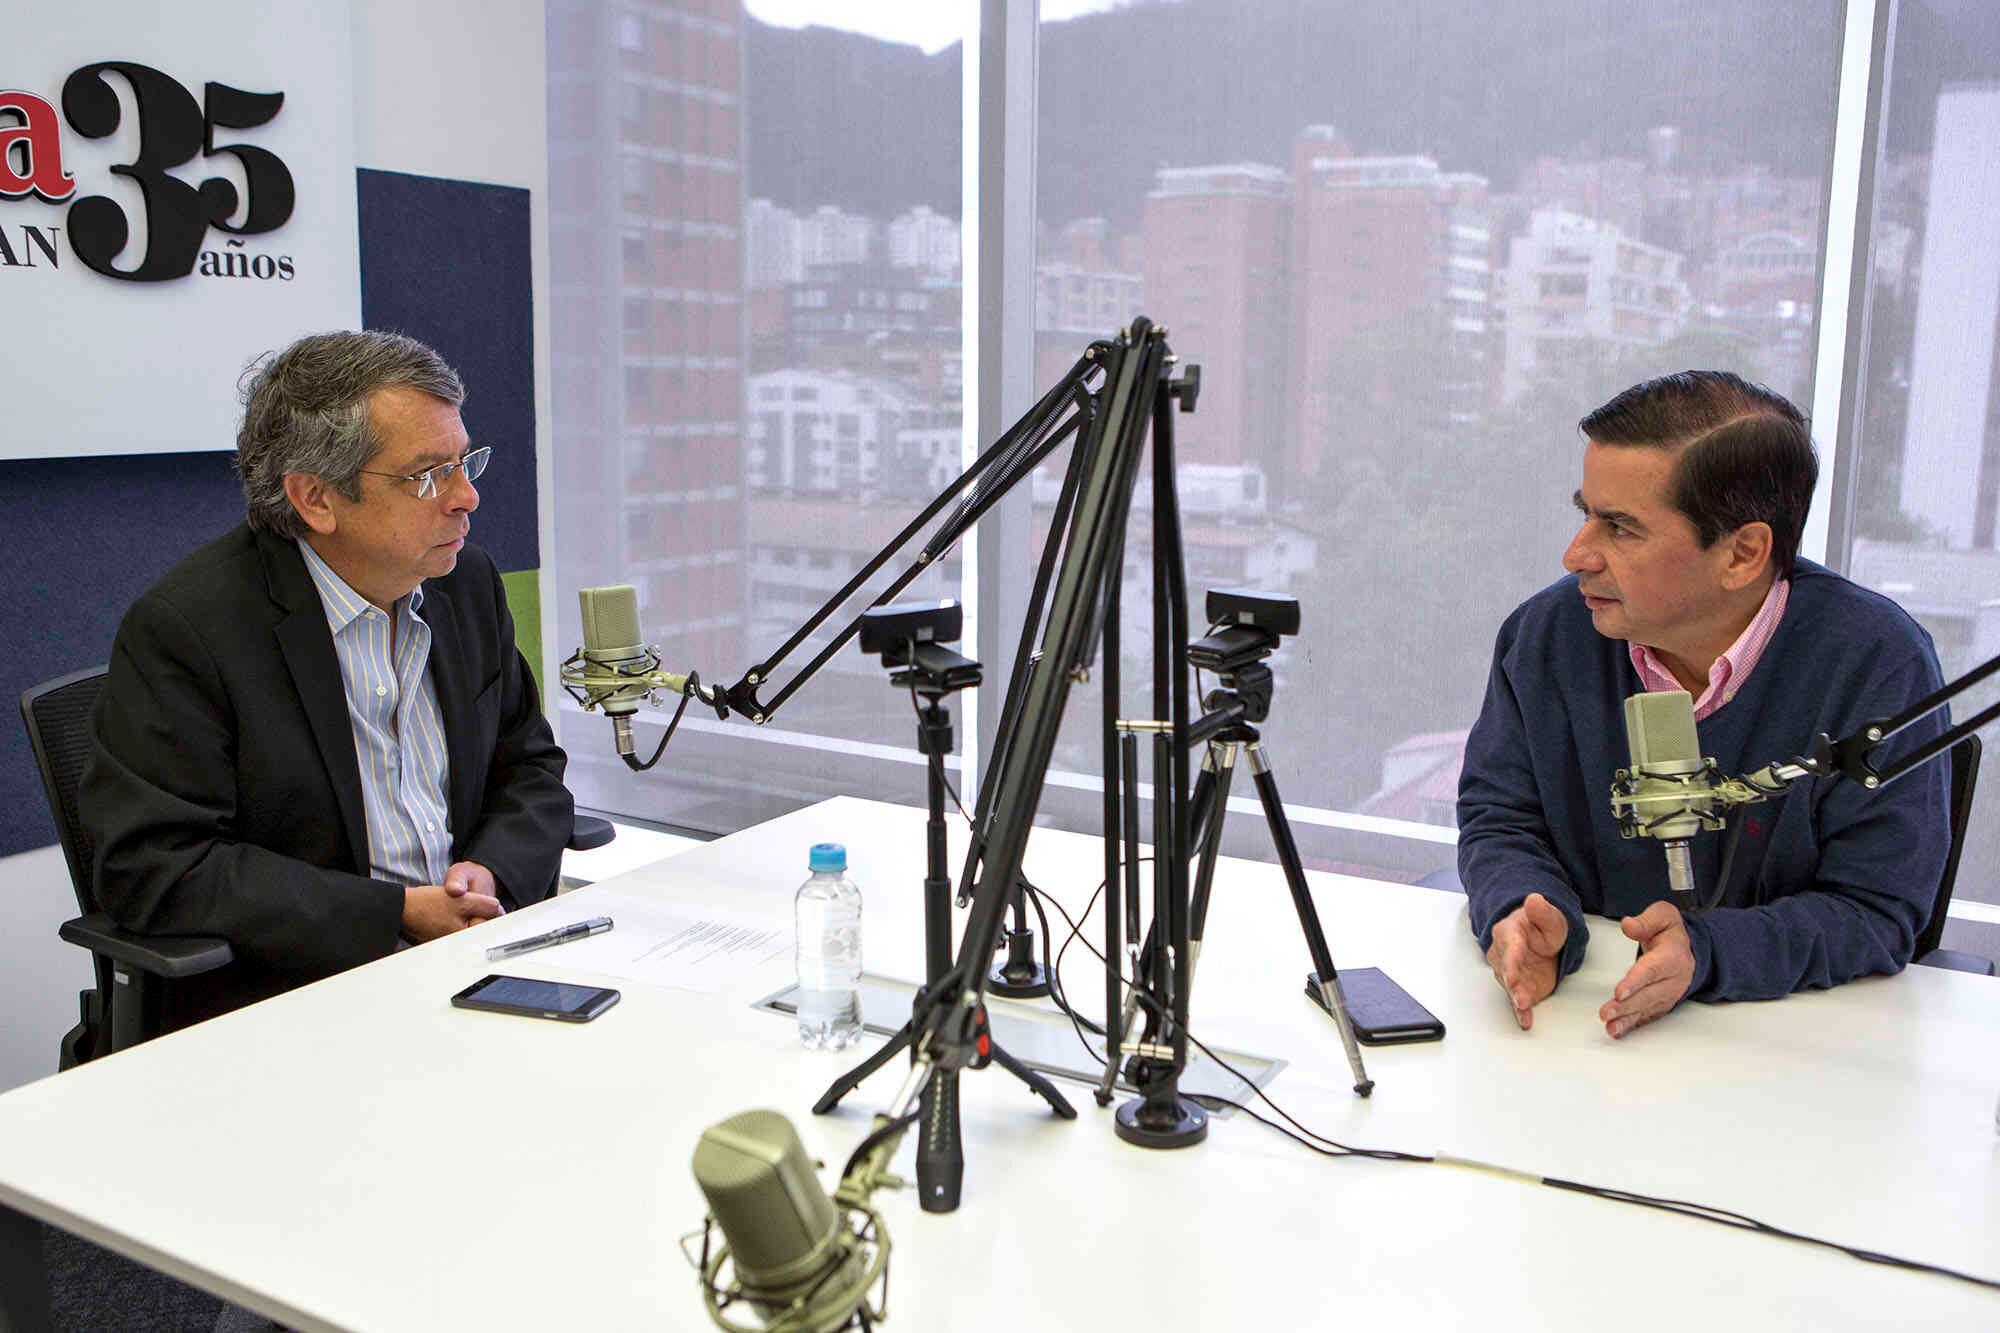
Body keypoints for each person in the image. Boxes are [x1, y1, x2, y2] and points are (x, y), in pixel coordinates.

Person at [80, 330, 573, 1028]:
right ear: (315, 498)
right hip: (296, 1001)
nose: (466, 497)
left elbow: (531, 768)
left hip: (472, 962)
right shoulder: (189, 630)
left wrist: (490, 871)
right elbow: (155, 865)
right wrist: (396, 914)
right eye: (428, 475)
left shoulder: (465, 584)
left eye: (465, 463)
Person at [1457, 370, 1950, 1039]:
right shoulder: (1546, 635)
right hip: (1576, 1029)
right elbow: (1500, 818)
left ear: (1743, 553)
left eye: (1620, 527)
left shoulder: (1876, 664)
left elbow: (1875, 910)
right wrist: (1520, 909)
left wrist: (1710, 952)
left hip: (1786, 1047)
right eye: (1586, 513)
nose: (1576, 555)